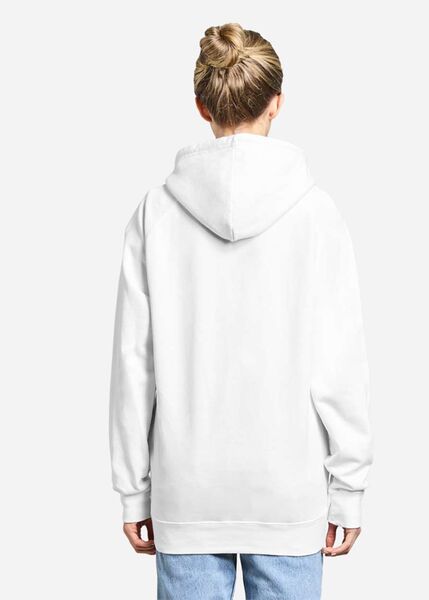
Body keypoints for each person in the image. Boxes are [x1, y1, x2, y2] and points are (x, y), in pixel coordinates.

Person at [109, 22, 373, 600]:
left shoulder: (155, 214)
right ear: (277, 103)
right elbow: (340, 362)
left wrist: (133, 490)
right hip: (288, 493)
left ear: (201, 106)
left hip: (187, 491)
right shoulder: (317, 214)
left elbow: (134, 365)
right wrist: (349, 488)